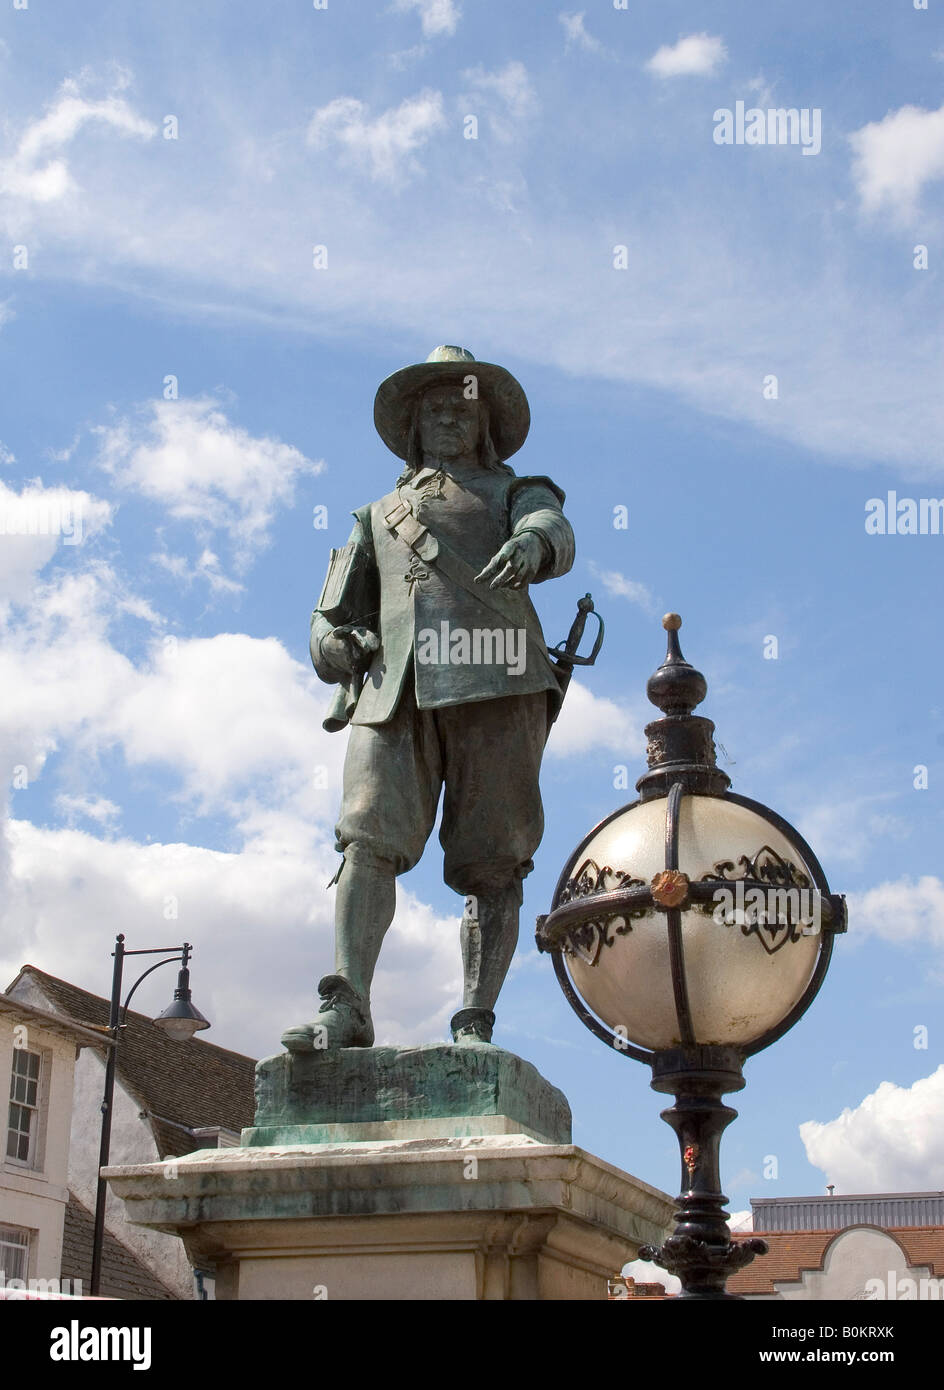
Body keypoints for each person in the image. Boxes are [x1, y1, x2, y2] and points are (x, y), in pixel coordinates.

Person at [282, 346, 575, 1052]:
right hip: (397, 693)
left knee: (495, 856)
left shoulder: (517, 491)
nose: (448, 415)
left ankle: (475, 1019)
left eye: (462, 407)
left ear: (485, 427)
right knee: (365, 837)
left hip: (499, 682)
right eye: (434, 408)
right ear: (414, 427)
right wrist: (333, 647)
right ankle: (346, 1003)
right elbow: (330, 616)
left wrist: (533, 544)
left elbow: (553, 529)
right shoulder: (377, 515)